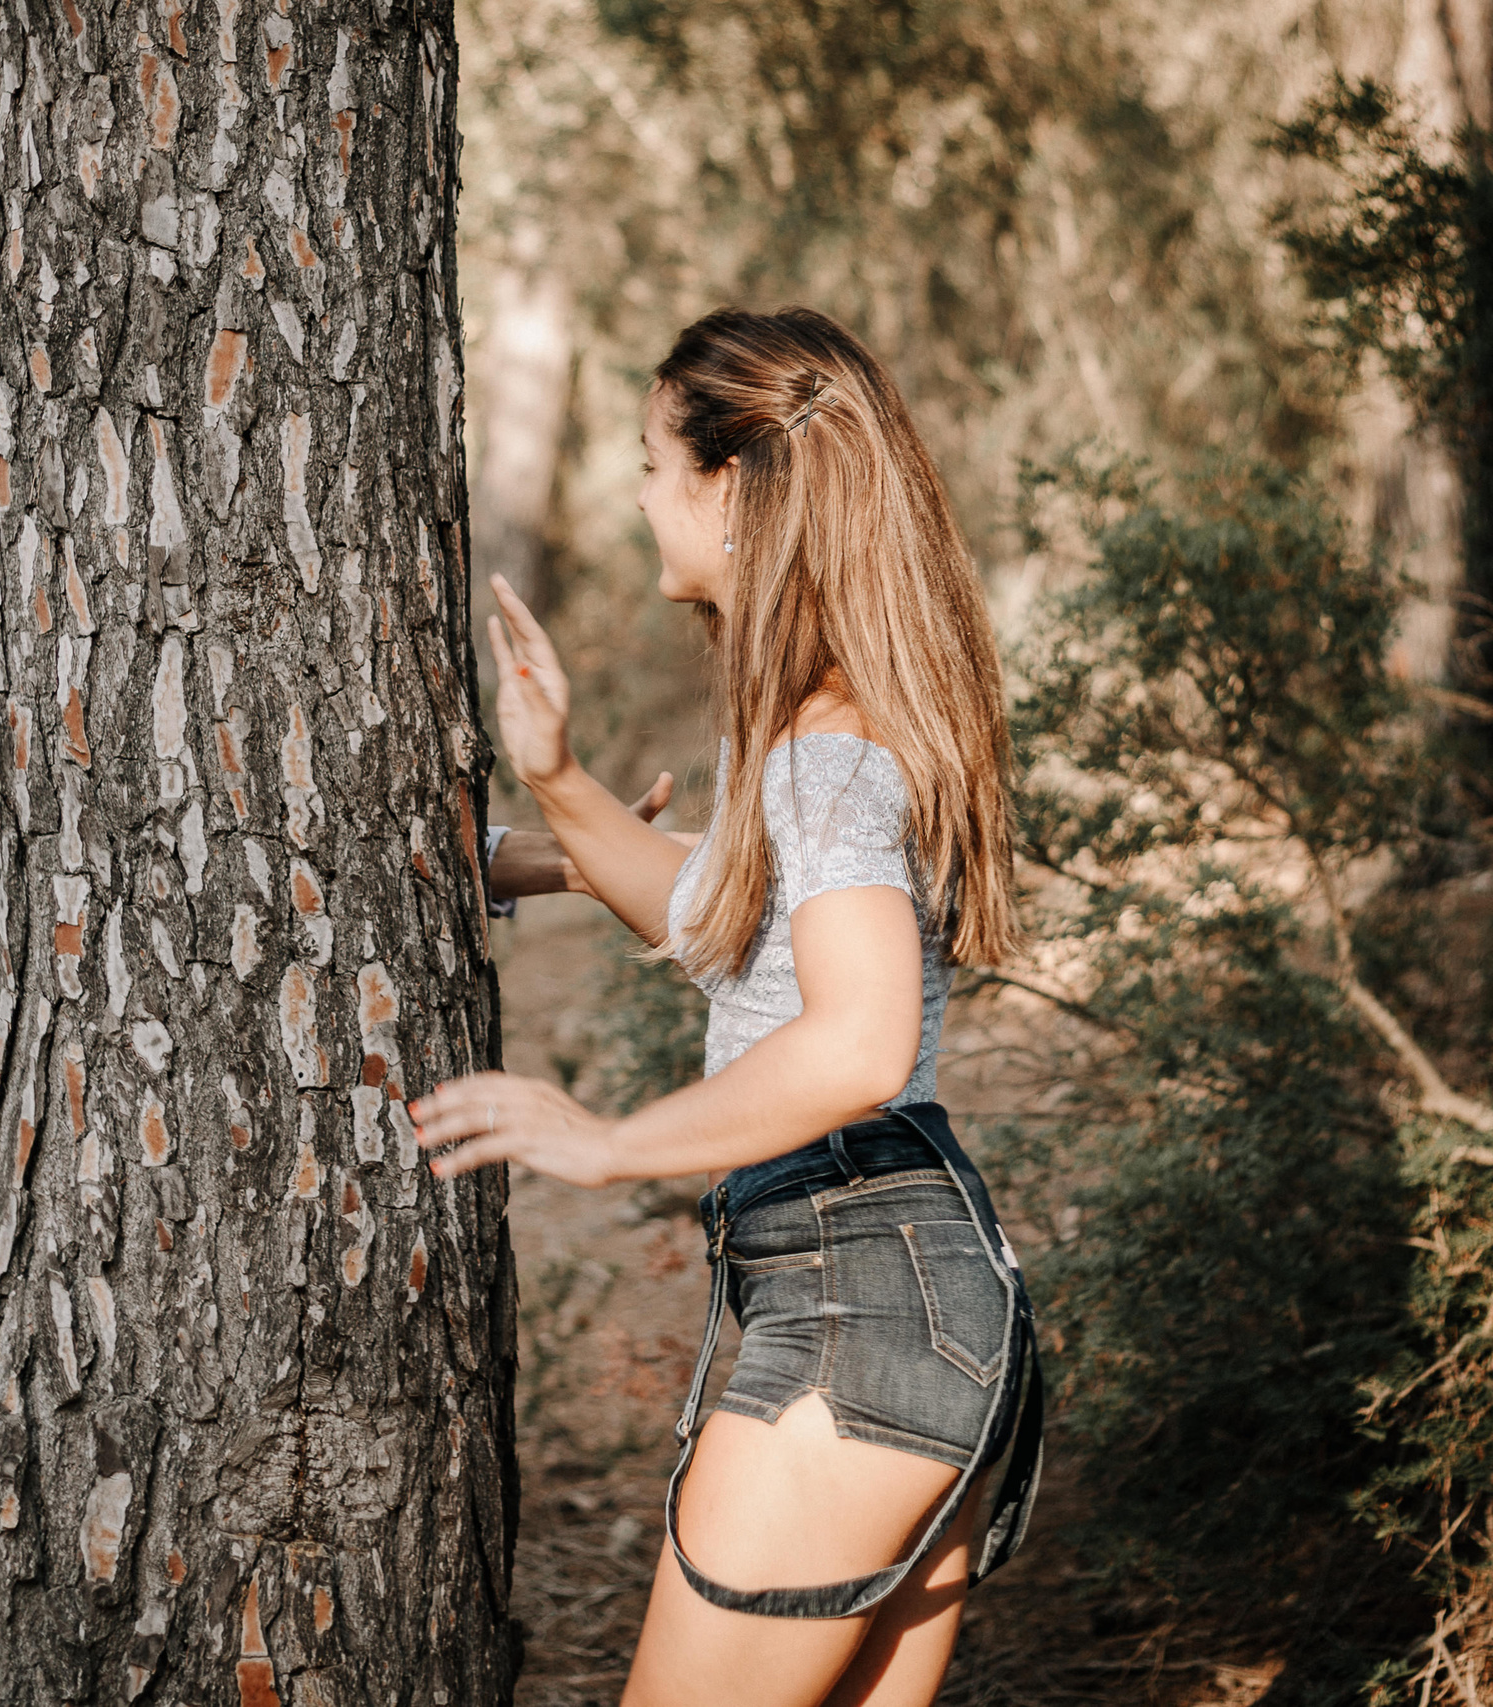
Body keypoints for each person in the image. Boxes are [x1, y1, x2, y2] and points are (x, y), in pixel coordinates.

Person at [413, 307, 1040, 1707]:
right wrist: (559, 788)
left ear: (735, 491)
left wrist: (609, 1138)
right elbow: (731, 924)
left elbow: (861, 1036)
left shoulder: (824, 751)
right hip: (923, 1288)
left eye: (652, 459)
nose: (637, 490)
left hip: (852, 1303)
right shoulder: (846, 719)